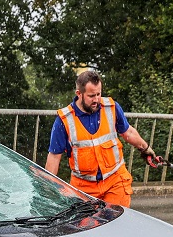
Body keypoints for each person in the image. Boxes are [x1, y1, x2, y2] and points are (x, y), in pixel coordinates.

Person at [45, 70, 158, 208]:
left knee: (116, 224)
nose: (97, 99)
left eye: (99, 94)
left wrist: (145, 148)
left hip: (115, 180)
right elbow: (54, 157)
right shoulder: (64, 120)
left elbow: (128, 132)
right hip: (84, 187)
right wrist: (47, 189)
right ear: (79, 94)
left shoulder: (111, 107)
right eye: (91, 96)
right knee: (87, 227)